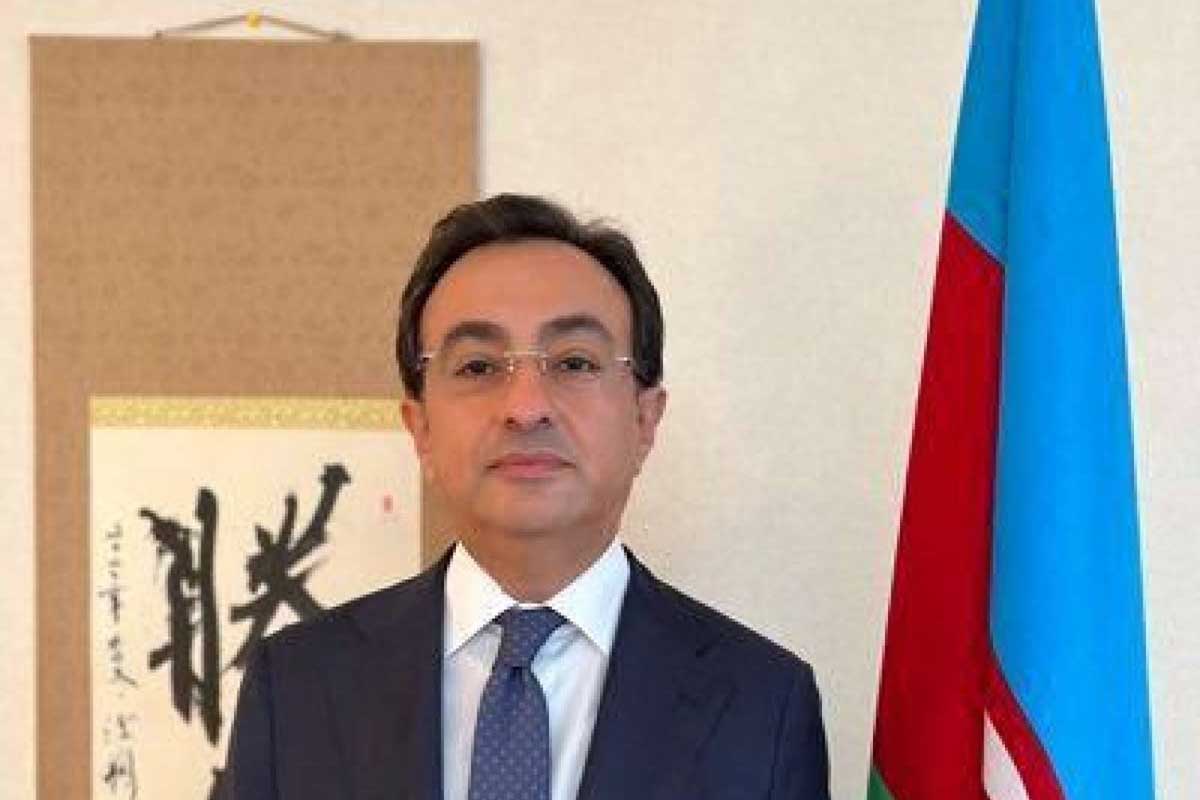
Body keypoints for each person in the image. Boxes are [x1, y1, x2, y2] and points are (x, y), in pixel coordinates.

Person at [224, 194, 830, 799]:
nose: (526, 407)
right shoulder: (296, 688)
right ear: (421, 427)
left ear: (645, 419)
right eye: (479, 367)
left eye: (574, 362)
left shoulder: (764, 704)